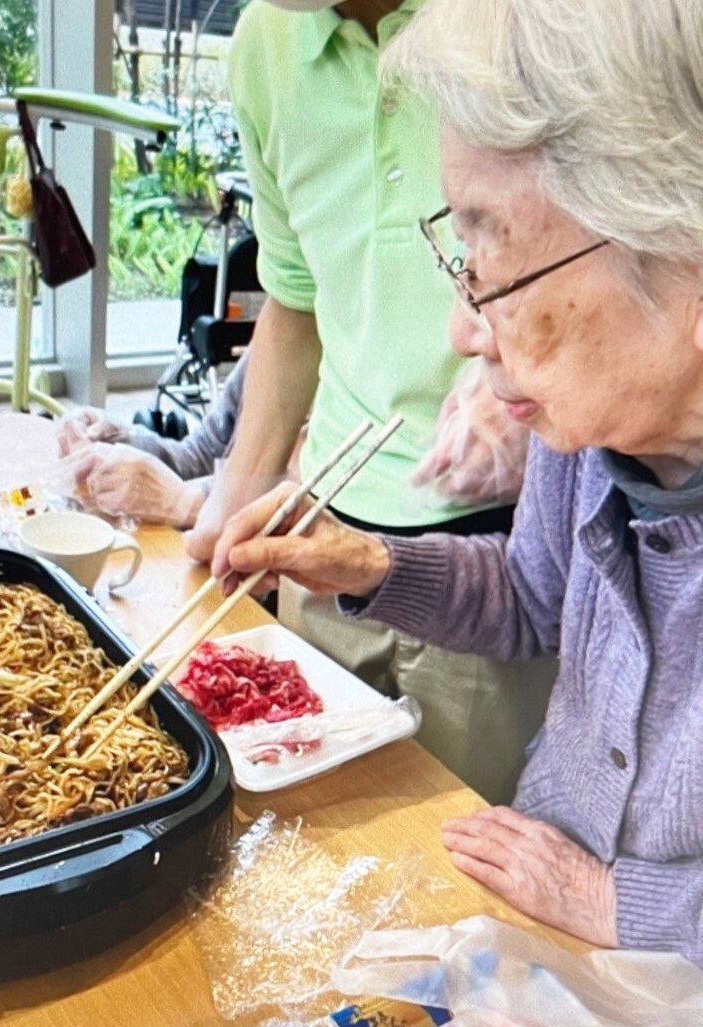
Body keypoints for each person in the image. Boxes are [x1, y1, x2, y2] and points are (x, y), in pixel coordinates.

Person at [211, 0, 703, 1027]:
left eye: (495, 261)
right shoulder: (604, 422)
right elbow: (533, 597)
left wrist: (619, 900)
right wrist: (365, 562)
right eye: (462, 253)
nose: (460, 331)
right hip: (552, 985)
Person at [182, 0, 556, 805]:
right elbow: (297, 296)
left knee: (448, 867)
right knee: (297, 836)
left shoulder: (528, 23)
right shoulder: (264, 42)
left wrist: (527, 362)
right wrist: (237, 493)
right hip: (321, 536)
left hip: (498, 560)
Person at [56, 350, 249, 528]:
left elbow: (273, 513)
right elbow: (201, 455)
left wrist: (186, 502)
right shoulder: (257, 358)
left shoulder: (273, 342)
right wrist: (123, 441)